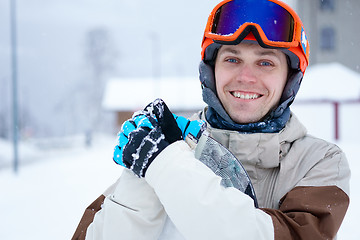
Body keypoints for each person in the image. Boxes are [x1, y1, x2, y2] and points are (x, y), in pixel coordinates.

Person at [72, 0, 350, 239]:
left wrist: (166, 166)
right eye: (232, 59)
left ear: (290, 78)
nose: (246, 77)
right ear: (210, 70)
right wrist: (143, 174)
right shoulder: (174, 144)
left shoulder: (319, 161)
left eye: (265, 62)